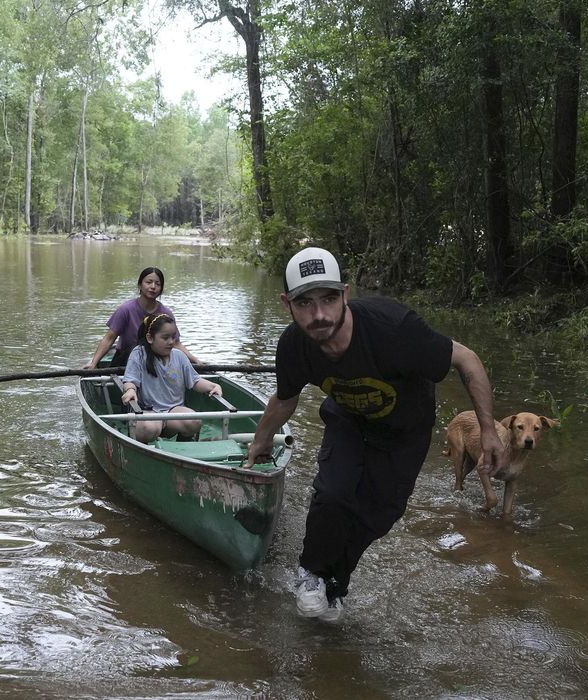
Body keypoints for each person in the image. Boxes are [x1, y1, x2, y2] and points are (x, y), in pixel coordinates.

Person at [244, 247, 504, 622]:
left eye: (329, 299)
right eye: (305, 303)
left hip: (405, 431)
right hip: (348, 419)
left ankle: (336, 587)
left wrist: (488, 430)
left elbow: (467, 360)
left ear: (345, 294)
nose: (319, 315)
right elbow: (285, 400)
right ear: (287, 302)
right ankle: (311, 573)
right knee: (334, 494)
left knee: (376, 517)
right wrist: (261, 440)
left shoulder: (394, 329)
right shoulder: (294, 346)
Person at [120, 314, 222, 443]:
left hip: (172, 411)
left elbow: (195, 381)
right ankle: (142, 449)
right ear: (150, 338)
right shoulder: (139, 353)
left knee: (194, 420)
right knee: (148, 428)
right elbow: (130, 380)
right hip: (148, 411)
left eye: (173, 337)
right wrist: (130, 390)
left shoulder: (179, 356)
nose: (171, 342)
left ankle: (183, 448)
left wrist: (213, 386)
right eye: (165, 338)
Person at [83, 267, 201, 369]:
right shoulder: (126, 309)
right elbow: (109, 338)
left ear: (161, 289)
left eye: (157, 284)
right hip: (126, 360)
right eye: (148, 282)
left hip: (156, 361)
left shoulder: (166, 313)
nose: (153, 287)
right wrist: (94, 363)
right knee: (137, 349)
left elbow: (175, 343)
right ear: (140, 285)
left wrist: (195, 360)